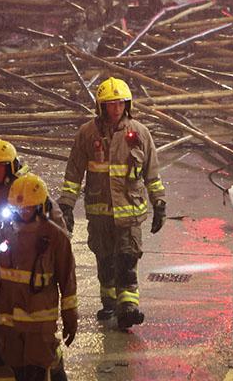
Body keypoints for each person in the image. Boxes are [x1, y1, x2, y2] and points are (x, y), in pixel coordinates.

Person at [57, 77, 166, 329]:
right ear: (101, 106)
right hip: (99, 214)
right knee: (105, 259)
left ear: (127, 105)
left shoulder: (140, 134)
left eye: (119, 104)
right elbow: (73, 172)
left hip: (130, 214)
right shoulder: (87, 134)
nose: (115, 109)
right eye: (110, 104)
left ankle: (129, 307)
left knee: (127, 259)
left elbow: (152, 173)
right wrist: (66, 205)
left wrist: (159, 202)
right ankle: (109, 302)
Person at [0, 139, 67, 381]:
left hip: (33, 290)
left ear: (11, 166)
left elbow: (58, 235)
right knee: (3, 350)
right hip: (2, 290)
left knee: (39, 348)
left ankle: (53, 363)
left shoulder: (32, 191)